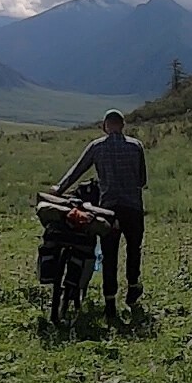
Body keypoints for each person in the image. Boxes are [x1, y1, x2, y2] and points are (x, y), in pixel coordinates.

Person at [54, 108, 146, 321]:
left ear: (105, 126)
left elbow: (76, 171)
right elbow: (142, 180)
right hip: (133, 207)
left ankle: (110, 301)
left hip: (108, 209)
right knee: (134, 248)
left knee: (109, 254)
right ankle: (133, 287)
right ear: (123, 126)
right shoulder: (136, 146)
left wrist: (58, 190)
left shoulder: (97, 147)